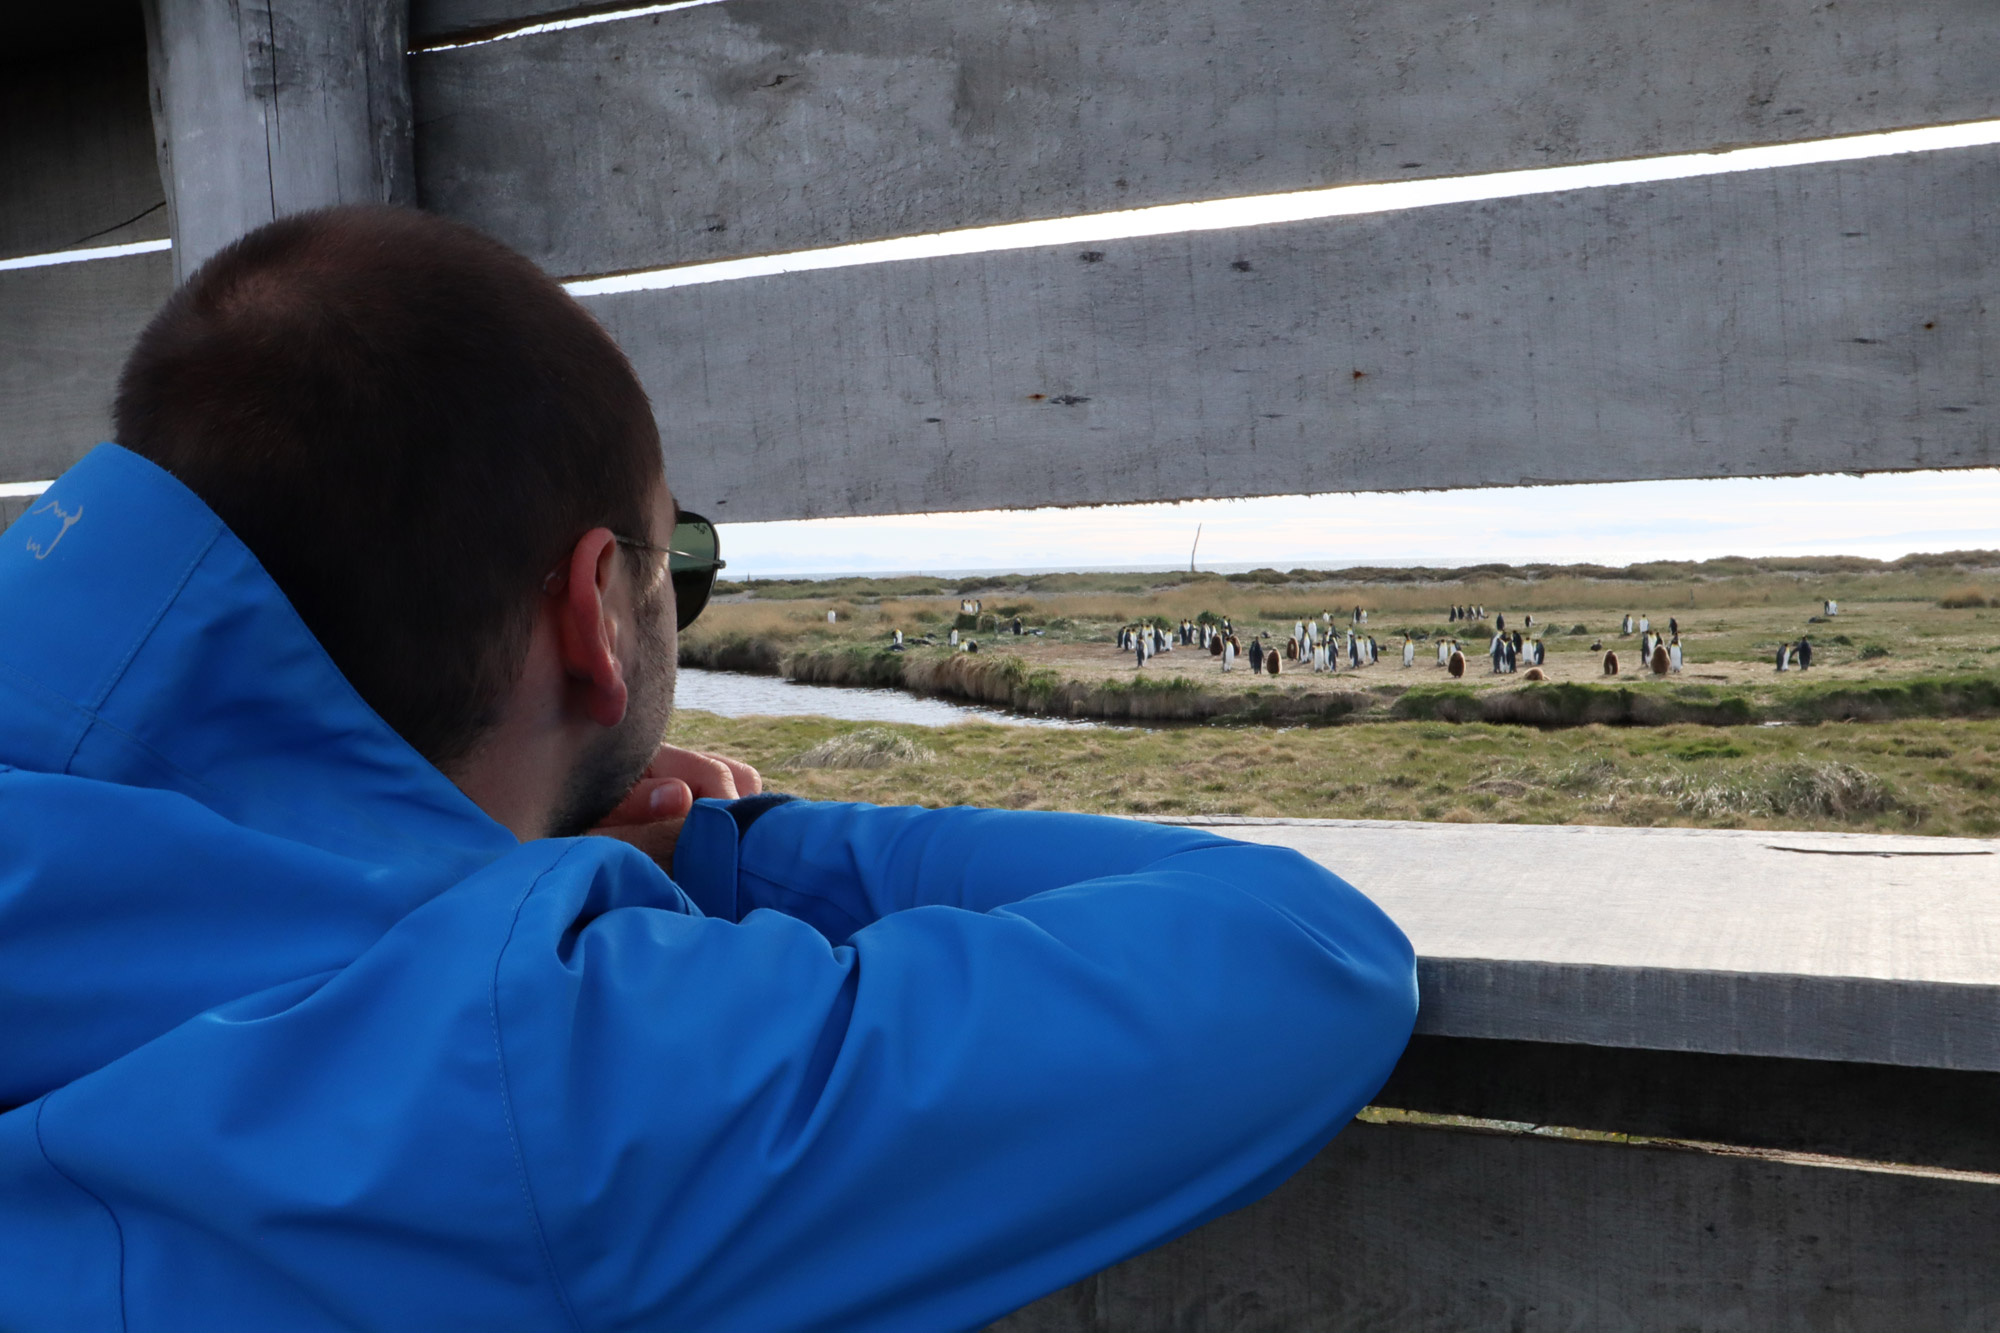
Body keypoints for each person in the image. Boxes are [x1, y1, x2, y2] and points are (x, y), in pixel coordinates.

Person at [0, 208, 1417, 1331]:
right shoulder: (541, 1080)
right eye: (685, 564)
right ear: (594, 614)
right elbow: (1310, 953)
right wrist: (738, 854)